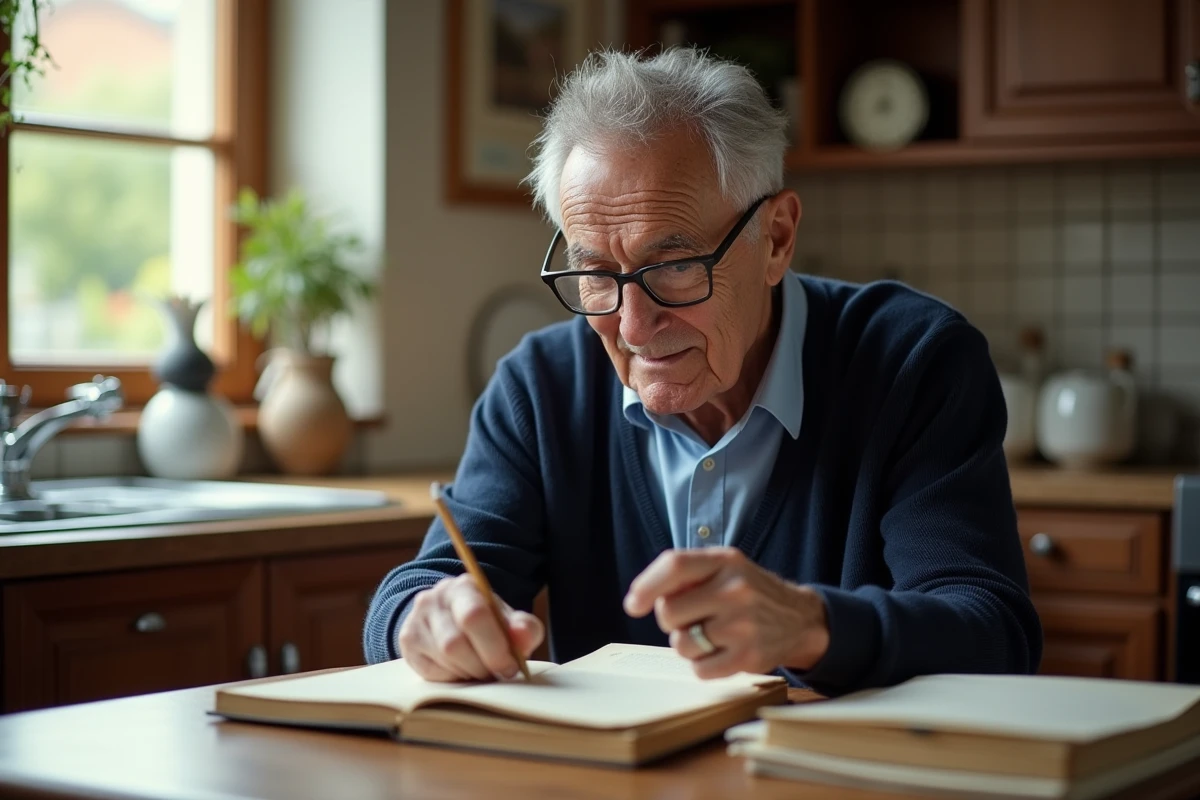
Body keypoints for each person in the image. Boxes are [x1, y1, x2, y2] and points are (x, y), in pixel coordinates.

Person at [363, 47, 1041, 695]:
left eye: (676, 267)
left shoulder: (914, 361)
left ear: (775, 238)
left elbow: (992, 632)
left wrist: (810, 627)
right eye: (596, 273)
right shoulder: (542, 388)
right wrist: (421, 621)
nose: (631, 327)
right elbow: (427, 588)